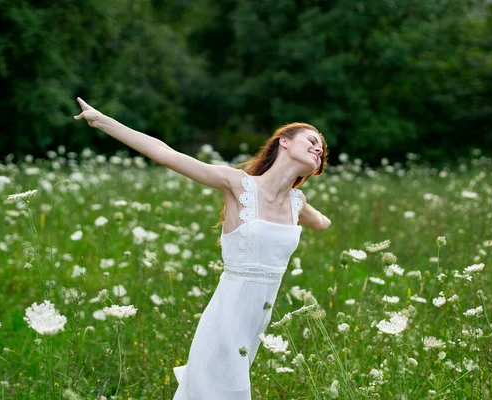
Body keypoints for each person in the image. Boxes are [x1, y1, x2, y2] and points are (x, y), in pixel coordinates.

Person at [74, 97, 331, 399]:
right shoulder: (238, 185)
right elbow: (165, 154)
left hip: (255, 324)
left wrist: (304, 206)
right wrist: (102, 120)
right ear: (284, 142)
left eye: (322, 151)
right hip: (226, 319)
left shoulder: (296, 203)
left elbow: (323, 223)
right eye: (312, 141)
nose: (318, 149)